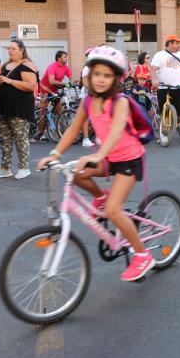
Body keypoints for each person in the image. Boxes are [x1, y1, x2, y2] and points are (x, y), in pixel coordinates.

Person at [37, 46, 154, 282]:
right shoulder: (88, 101)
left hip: (128, 160)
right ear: (89, 75)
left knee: (113, 210)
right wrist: (54, 154)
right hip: (108, 158)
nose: (101, 79)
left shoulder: (120, 102)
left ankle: (143, 255)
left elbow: (115, 132)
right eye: (97, 74)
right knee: (74, 172)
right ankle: (100, 197)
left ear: (116, 79)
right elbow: (71, 130)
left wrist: (97, 156)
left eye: (107, 75)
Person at [0, 39, 38, 180]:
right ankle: (5, 168)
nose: (9, 50)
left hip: (20, 108)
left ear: (21, 50)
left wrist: (10, 81)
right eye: (8, 48)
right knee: (4, 139)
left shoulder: (27, 65)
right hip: (5, 107)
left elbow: (30, 86)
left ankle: (24, 167)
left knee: (20, 138)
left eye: (13, 48)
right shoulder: (6, 65)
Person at [150, 34, 180, 144]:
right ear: (169, 43)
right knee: (164, 112)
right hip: (163, 88)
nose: (179, 45)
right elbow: (152, 69)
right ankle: (164, 134)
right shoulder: (159, 55)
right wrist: (154, 80)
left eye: (179, 43)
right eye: (176, 43)